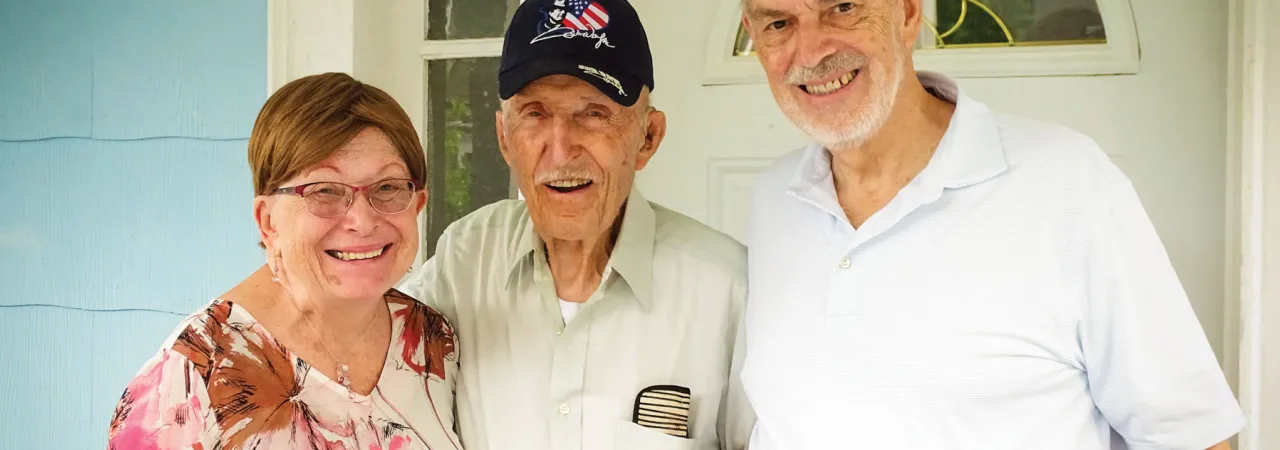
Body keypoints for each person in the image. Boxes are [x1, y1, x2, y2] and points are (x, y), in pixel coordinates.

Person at [736, 0, 1245, 449]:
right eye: (779, 23)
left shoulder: (1067, 183)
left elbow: (1187, 437)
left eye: (843, 8)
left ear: (908, 12)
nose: (810, 53)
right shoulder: (774, 201)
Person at [396, 0, 755, 448]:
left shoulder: (727, 289)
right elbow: (360, 365)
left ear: (648, 137)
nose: (562, 149)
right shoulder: (465, 259)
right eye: (535, 114)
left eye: (593, 113)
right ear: (505, 138)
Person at [106, 73, 462, 449]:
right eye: (324, 190)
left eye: (387, 187)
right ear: (268, 221)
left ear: (417, 205)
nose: (362, 221)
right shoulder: (190, 380)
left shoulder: (430, 339)